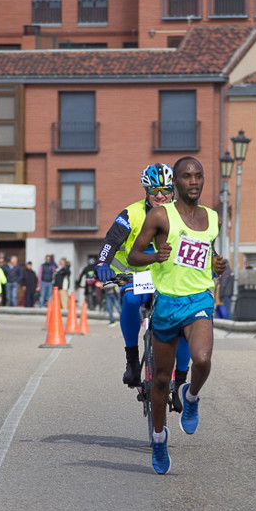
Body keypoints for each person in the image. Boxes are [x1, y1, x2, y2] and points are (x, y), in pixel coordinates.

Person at [129, 156, 226, 475]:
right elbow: (133, 255)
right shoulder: (160, 215)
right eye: (187, 176)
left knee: (202, 359)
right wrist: (154, 256)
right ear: (176, 183)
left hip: (199, 298)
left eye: (199, 175)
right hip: (167, 301)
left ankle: (192, 394)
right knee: (159, 379)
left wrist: (217, 265)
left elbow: (207, 254)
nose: (194, 181)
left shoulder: (213, 218)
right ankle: (159, 438)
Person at [95, 163, 191, 390]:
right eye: (153, 190)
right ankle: (132, 363)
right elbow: (111, 241)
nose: (160, 195)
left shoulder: (184, 214)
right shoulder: (132, 213)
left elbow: (201, 243)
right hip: (135, 275)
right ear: (145, 190)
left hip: (170, 277)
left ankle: (181, 381)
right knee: (129, 300)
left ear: (173, 190)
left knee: (183, 322)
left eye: (165, 190)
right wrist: (102, 263)